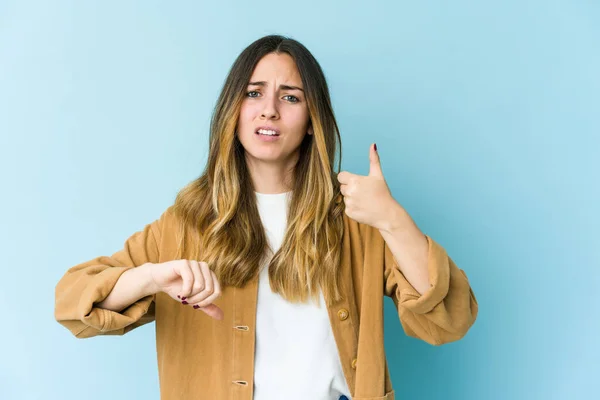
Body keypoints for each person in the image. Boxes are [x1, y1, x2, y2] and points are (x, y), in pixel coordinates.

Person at [54, 34, 478, 400]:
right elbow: (75, 304)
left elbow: (450, 320)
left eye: (290, 96)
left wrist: (392, 220)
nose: (269, 110)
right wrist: (150, 277)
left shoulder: (355, 217)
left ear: (313, 120)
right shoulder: (188, 222)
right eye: (253, 93)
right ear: (232, 112)